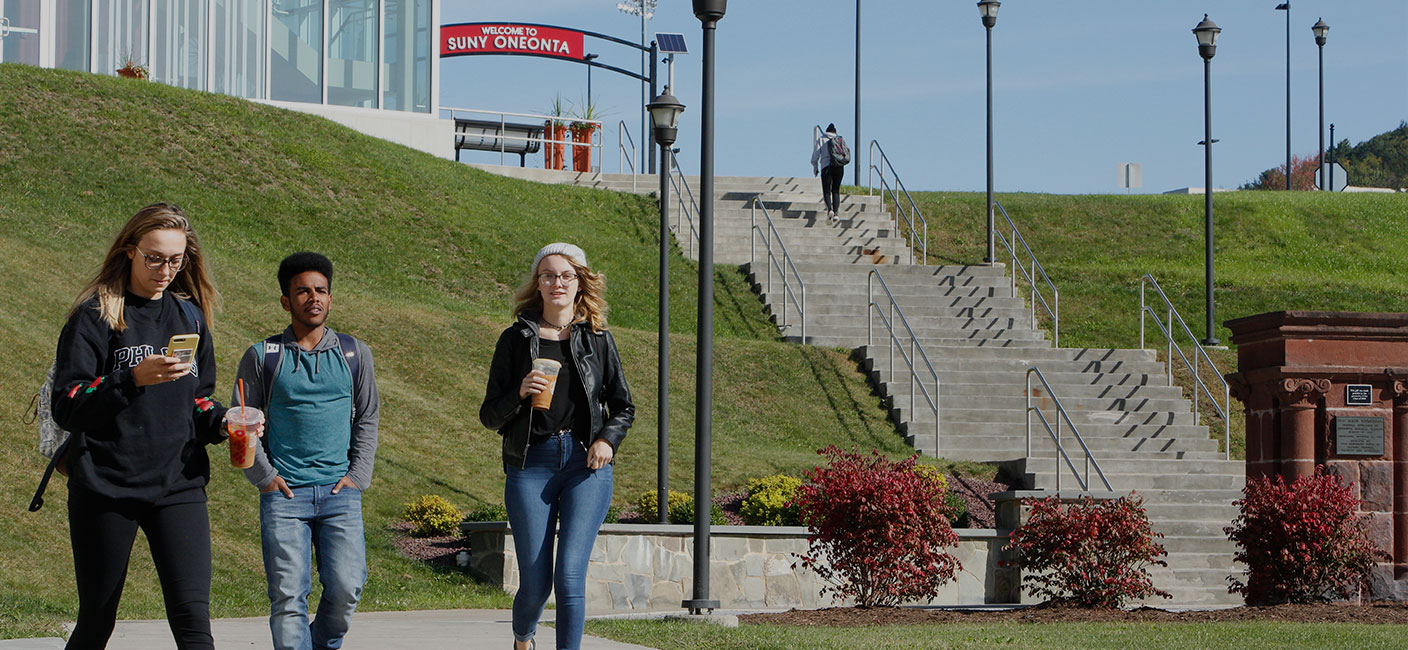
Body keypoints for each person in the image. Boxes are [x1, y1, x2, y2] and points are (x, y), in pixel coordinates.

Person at [50, 203, 232, 650]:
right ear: (131, 251)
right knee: (97, 620)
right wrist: (131, 379)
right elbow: (67, 405)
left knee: (194, 624)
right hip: (107, 485)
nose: (165, 269)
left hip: (178, 484)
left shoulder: (189, 316)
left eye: (176, 259)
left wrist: (223, 420)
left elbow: (198, 398)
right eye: (154, 257)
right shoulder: (97, 315)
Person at [479, 243, 634, 650]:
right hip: (532, 464)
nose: (557, 283)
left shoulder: (598, 339)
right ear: (538, 284)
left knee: (569, 578)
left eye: (566, 275)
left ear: (580, 281)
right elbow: (490, 415)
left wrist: (607, 440)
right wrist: (519, 393)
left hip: (586, 465)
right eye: (548, 275)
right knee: (535, 584)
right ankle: (523, 636)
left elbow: (623, 406)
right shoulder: (515, 339)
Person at [232, 252, 379, 650]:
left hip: (339, 494)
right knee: (287, 598)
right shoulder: (263, 357)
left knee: (348, 588)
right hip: (285, 496)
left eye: (321, 291)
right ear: (286, 301)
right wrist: (265, 478)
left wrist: (356, 478)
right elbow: (244, 426)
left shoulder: (354, 354)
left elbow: (367, 418)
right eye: (302, 292)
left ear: (330, 299)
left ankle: (321, 644)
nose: (313, 298)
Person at [811, 123, 846, 224]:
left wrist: (815, 167)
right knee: (836, 190)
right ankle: (836, 214)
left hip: (826, 167)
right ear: (835, 132)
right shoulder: (840, 140)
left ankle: (829, 209)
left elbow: (815, 156)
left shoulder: (821, 139)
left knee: (827, 191)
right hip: (839, 167)